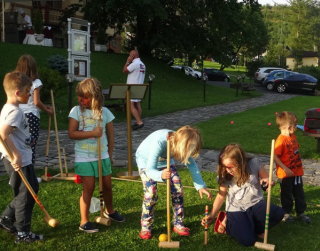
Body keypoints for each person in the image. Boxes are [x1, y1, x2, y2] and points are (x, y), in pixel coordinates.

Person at [68, 78, 125, 233]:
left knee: (107, 185)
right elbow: (72, 133)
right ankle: (84, 221)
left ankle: (110, 211)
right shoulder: (76, 112)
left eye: (85, 97)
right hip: (84, 157)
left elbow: (111, 136)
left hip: (103, 155)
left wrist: (110, 154)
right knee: (89, 187)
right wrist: (92, 133)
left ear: (96, 98)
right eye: (80, 96)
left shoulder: (105, 113)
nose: (81, 100)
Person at [136, 126, 213, 239]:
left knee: (177, 188)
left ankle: (178, 223)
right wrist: (160, 175)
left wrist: (200, 186)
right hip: (146, 161)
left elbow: (192, 164)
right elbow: (150, 169)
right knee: (151, 192)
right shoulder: (160, 143)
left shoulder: (182, 143)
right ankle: (146, 226)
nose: (186, 156)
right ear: (180, 146)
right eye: (185, 153)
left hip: (165, 160)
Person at [201, 144, 284, 247]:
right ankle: (229, 224)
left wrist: (268, 182)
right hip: (236, 208)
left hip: (255, 203)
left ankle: (255, 228)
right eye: (224, 167)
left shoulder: (254, 163)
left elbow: (267, 180)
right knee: (247, 240)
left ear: (240, 161)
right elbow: (221, 196)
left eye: (230, 167)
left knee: (278, 213)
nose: (228, 170)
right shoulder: (225, 174)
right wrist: (212, 215)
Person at [0, 71, 44, 243]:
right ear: (18, 93)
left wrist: (29, 140)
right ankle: (22, 233)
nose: (30, 95)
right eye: (28, 91)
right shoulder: (15, 112)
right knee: (25, 196)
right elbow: (3, 134)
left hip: (20, 157)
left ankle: (6, 218)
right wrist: (16, 155)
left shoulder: (9, 108)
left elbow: (14, 133)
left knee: (30, 189)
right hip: (19, 161)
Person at [274, 111, 311, 223]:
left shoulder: (293, 137)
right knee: (286, 194)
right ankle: (286, 213)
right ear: (289, 127)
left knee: (299, 193)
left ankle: (301, 212)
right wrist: (285, 168)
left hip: (297, 172)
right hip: (285, 174)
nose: (296, 127)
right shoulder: (280, 141)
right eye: (295, 125)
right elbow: (275, 157)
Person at [122, 50, 146, 130]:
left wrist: (127, 62)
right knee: (137, 104)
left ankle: (139, 122)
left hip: (132, 87)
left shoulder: (134, 64)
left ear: (132, 56)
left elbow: (124, 70)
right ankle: (137, 121)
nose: (129, 57)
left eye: (129, 56)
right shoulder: (142, 64)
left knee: (130, 104)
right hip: (140, 86)